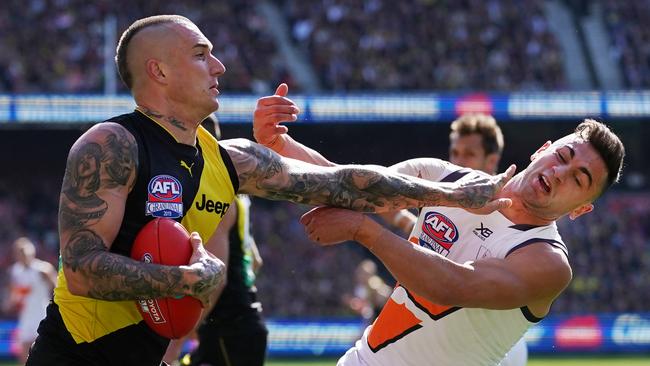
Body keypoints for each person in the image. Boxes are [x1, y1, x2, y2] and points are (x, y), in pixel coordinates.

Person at [26, 15, 512, 366]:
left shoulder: (231, 159)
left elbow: (343, 183)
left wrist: (455, 195)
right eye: (201, 55)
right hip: (74, 355)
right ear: (158, 71)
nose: (218, 67)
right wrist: (186, 282)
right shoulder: (112, 144)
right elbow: (85, 270)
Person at [253, 93, 625, 365]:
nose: (560, 173)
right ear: (541, 149)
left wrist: (364, 231)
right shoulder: (443, 176)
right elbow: (351, 187)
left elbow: (453, 287)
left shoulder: (548, 262)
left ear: (581, 209)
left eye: (579, 178)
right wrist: (280, 145)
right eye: (562, 156)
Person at [382, 113, 527, 366]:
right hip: (436, 338)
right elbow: (380, 195)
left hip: (489, 344)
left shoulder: (510, 212)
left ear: (492, 160)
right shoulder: (441, 193)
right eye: (455, 152)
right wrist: (409, 223)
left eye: (469, 154)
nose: (459, 161)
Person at [163, 116, 268, 366]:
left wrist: (178, 340)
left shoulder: (214, 196)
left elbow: (216, 276)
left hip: (227, 328)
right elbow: (255, 261)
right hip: (239, 324)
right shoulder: (235, 194)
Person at [2, 237, 57, 364]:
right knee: (24, 350)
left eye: (24, 251)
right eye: (19, 252)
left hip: (41, 314)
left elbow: (57, 288)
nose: (22, 254)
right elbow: (13, 294)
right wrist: (10, 303)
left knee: (43, 350)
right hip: (25, 317)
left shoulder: (43, 269)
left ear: (32, 251)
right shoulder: (15, 271)